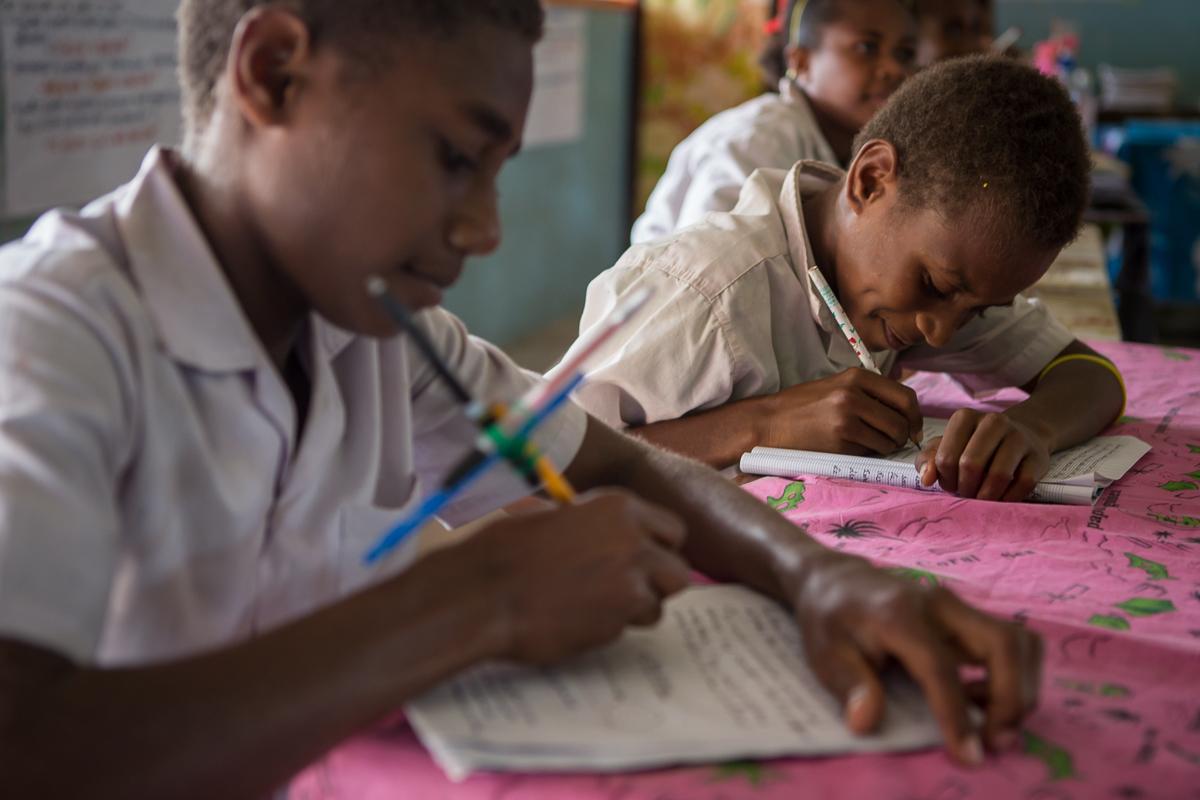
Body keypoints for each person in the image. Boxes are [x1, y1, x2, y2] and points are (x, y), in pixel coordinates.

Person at [0, 4, 1038, 797]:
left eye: (496, 168)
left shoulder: (376, 331)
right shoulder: (52, 339)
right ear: (275, 73)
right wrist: (474, 599)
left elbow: (624, 460)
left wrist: (821, 579)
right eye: (456, 156)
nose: (488, 228)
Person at [559, 56, 1125, 503]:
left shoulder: (945, 279)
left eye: (976, 311)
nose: (939, 333)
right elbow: (539, 470)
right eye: (932, 283)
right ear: (872, 182)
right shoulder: (711, 292)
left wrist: (1033, 429)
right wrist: (764, 423)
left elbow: (1093, 375)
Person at [631, 0, 916, 244]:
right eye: (867, 47)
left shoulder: (858, 152)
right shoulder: (757, 143)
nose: (894, 69)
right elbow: (705, 277)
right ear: (801, 62)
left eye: (904, 54)